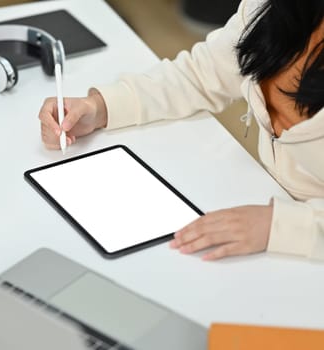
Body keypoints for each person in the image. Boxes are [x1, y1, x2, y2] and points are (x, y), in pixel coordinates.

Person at [38, 0, 324, 261]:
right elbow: (201, 74)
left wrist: (281, 227)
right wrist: (101, 107)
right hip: (267, 204)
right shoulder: (270, 8)